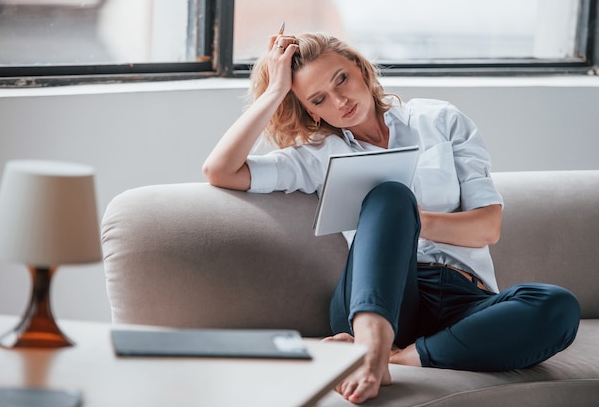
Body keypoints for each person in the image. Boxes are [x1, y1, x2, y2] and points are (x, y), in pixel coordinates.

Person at [202, 31, 581, 404]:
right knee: (389, 194)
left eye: (341, 79)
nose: (341, 100)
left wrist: (411, 221)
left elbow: (486, 227)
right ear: (311, 111)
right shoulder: (318, 155)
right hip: (382, 298)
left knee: (557, 306)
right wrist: (274, 92)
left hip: (466, 302)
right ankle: (372, 346)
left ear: (360, 68)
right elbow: (221, 171)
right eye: (319, 99)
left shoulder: (440, 120)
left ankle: (395, 356)